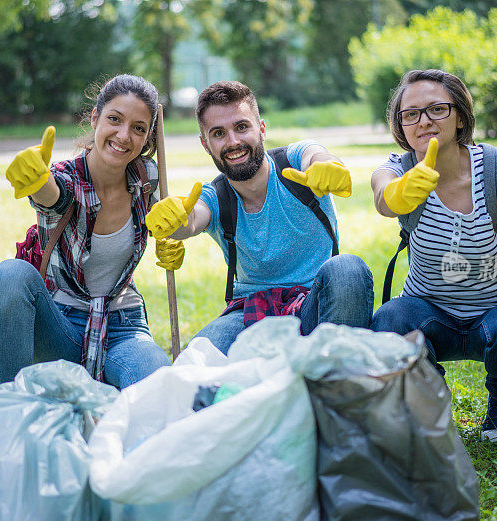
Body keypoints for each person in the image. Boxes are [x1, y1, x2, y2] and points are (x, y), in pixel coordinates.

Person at [369, 69, 497, 442]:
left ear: (461, 116)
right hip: (427, 313)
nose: (424, 121)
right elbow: (382, 195)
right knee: (389, 321)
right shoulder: (396, 170)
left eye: (437, 109)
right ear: (400, 126)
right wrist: (397, 195)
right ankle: (431, 401)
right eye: (411, 114)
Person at [145, 80, 374, 354]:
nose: (233, 142)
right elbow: (192, 218)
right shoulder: (215, 196)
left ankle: (337, 380)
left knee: (348, 269)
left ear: (261, 128)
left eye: (242, 127)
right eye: (219, 133)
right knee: (199, 358)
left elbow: (317, 156)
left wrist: (328, 165)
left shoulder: (295, 163)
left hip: (316, 305)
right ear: (205, 144)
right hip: (249, 314)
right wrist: (173, 221)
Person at [0, 74, 177, 389]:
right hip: (59, 326)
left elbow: (170, 222)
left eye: (138, 128)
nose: (123, 135)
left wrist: (176, 231)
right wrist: (38, 182)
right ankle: (6, 405)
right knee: (11, 275)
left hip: (122, 325)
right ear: (95, 118)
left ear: (148, 138)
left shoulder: (148, 177)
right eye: (114, 119)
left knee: (159, 385)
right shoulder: (67, 178)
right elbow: (53, 195)